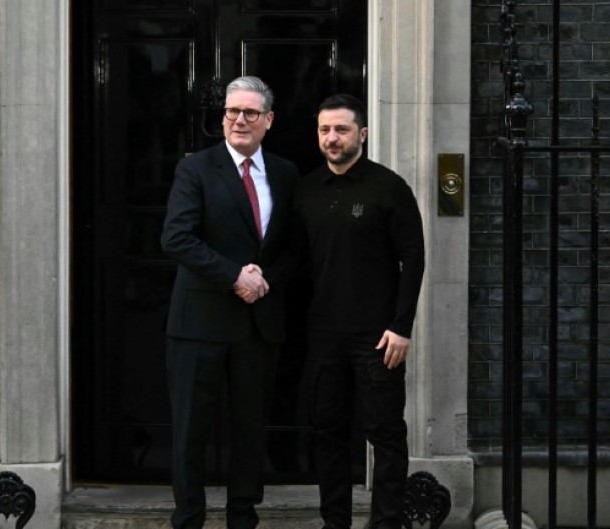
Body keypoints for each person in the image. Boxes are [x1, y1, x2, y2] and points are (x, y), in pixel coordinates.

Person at [160, 75, 299, 529]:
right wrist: (234, 276)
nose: (239, 119)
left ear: (269, 120)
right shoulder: (195, 168)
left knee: (249, 430)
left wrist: (262, 280)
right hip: (199, 322)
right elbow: (177, 238)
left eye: (250, 113)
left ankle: (243, 517)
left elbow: (295, 247)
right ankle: (189, 519)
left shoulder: (285, 172)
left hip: (257, 325)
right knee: (190, 434)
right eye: (231, 111)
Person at [295, 94, 425, 529]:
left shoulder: (389, 188)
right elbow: (295, 261)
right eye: (324, 130)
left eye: (342, 129)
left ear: (362, 135)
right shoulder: (307, 189)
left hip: (378, 338)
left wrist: (402, 326)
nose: (332, 138)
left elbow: (414, 258)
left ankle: (386, 523)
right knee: (327, 435)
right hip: (324, 336)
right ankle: (336, 523)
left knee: (385, 435)